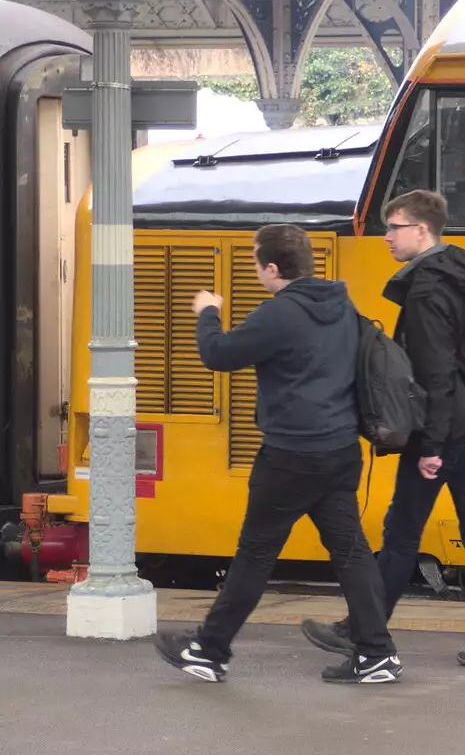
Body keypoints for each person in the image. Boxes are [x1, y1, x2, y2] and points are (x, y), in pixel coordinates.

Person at [153, 224, 402, 685]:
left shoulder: (279, 314)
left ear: (271, 268)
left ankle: (208, 651)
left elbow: (218, 354)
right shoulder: (342, 306)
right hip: (341, 450)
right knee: (351, 554)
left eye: (254, 263)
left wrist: (208, 312)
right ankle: (376, 655)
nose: (255, 271)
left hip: (290, 455)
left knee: (255, 555)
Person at [302, 190, 465, 668]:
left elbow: (435, 375)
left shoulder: (428, 289)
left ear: (422, 231)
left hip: (444, 431)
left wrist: (430, 445)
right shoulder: (460, 274)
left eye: (394, 227)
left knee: (403, 530)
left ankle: (362, 632)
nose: (386, 237)